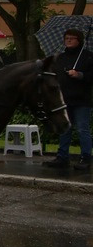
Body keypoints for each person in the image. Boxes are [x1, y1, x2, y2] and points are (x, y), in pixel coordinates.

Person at [43, 28, 92, 170]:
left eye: (72, 38)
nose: (68, 40)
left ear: (79, 40)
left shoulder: (87, 57)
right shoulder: (60, 57)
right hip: (64, 99)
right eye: (66, 38)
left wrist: (79, 75)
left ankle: (86, 157)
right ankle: (62, 156)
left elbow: (90, 77)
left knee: (82, 128)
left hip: (82, 100)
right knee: (65, 128)